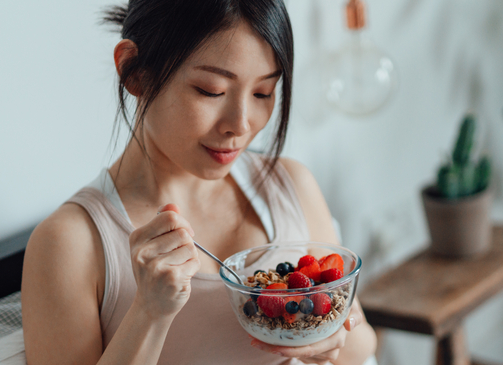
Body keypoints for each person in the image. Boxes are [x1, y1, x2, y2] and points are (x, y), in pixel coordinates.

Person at [21, 0, 378, 364]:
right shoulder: (68, 243)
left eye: (263, 93)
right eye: (211, 90)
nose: (240, 125)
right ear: (135, 72)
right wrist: (149, 313)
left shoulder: (290, 184)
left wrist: (333, 337)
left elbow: (362, 344)